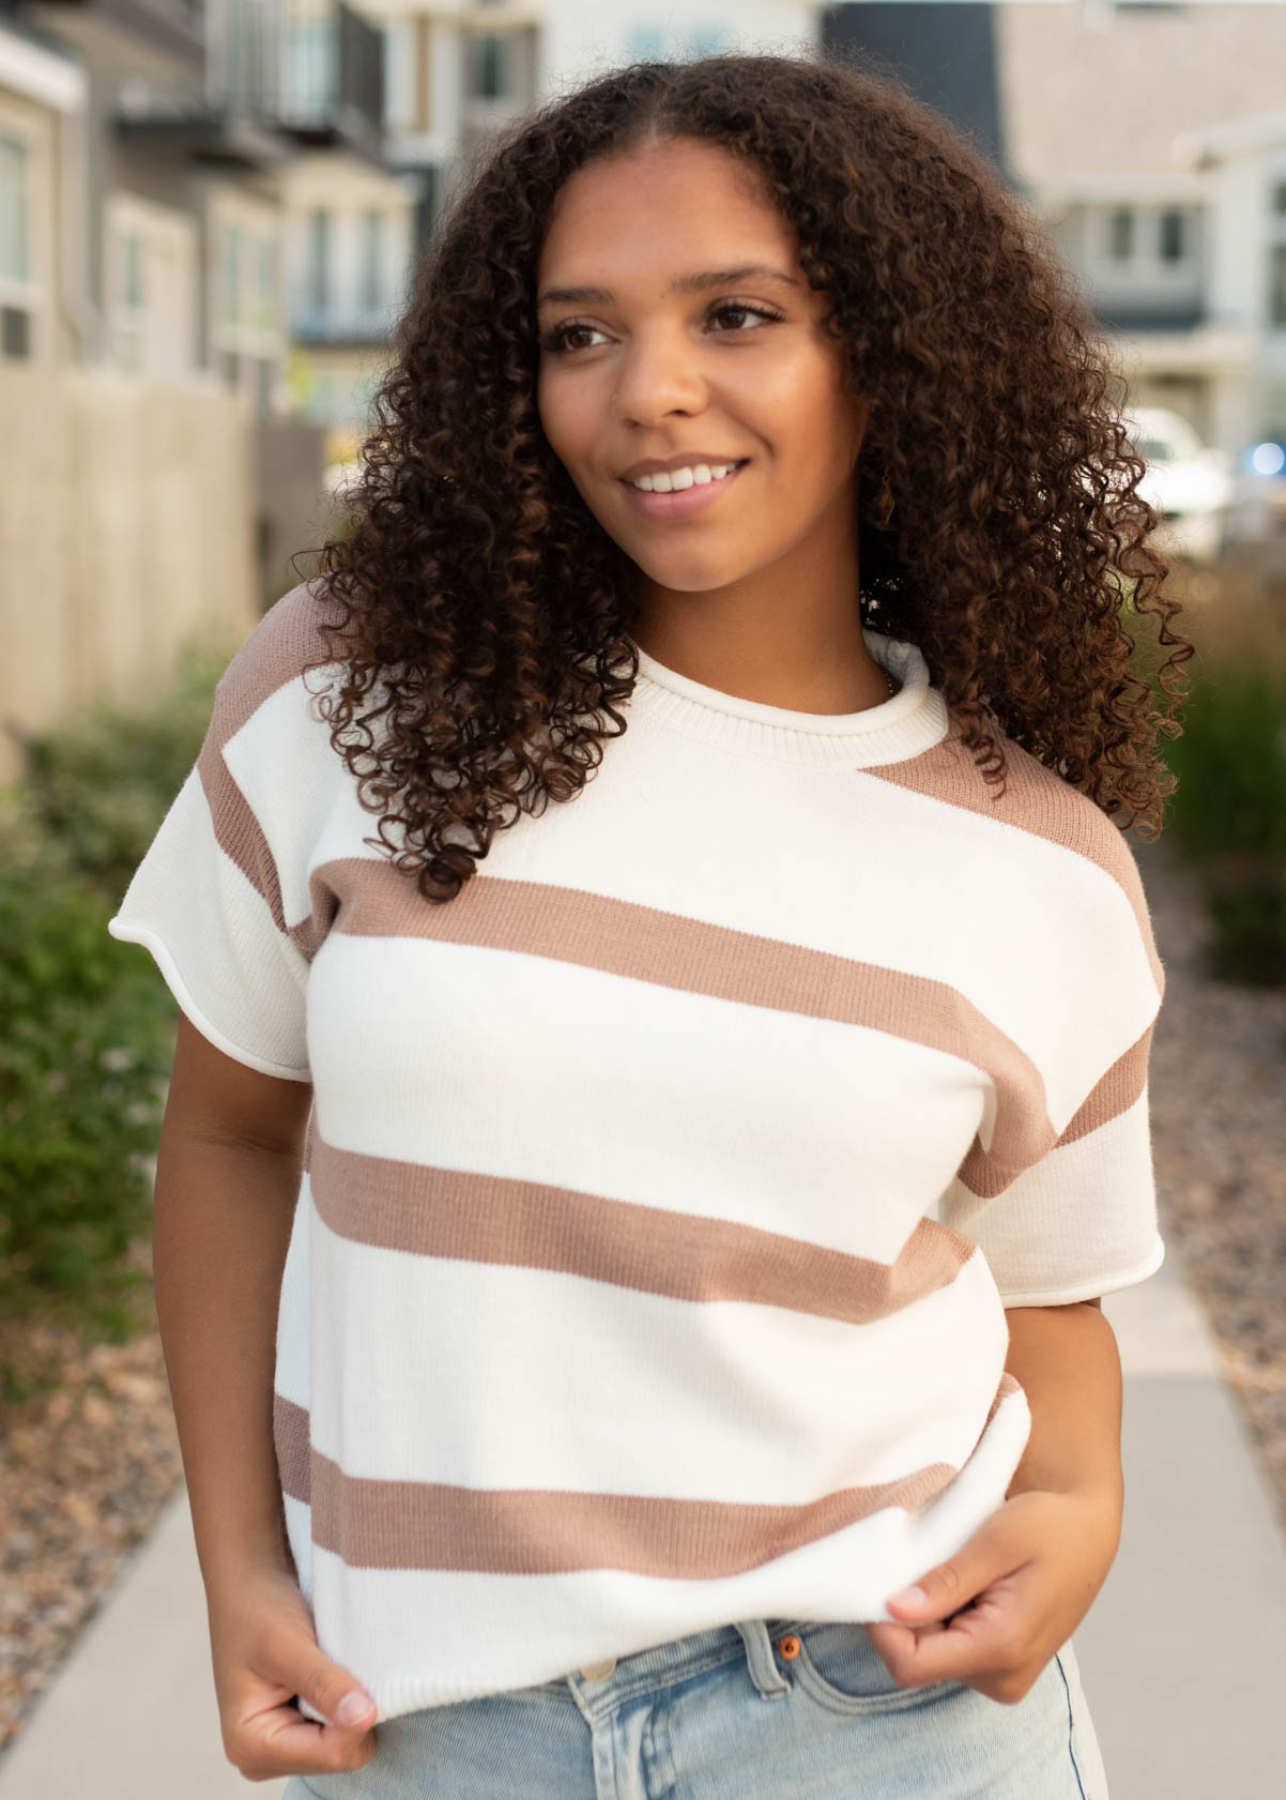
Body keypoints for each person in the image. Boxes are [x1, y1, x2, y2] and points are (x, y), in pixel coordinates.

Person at [108, 48, 1191, 1800]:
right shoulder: (348, 700)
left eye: (737, 315)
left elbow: (1055, 1306)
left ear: (886, 356)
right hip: (421, 1727)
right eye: (579, 333)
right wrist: (243, 1573)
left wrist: (1079, 1506)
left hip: (876, 1719)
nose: (650, 393)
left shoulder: (1039, 868)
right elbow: (229, 1140)